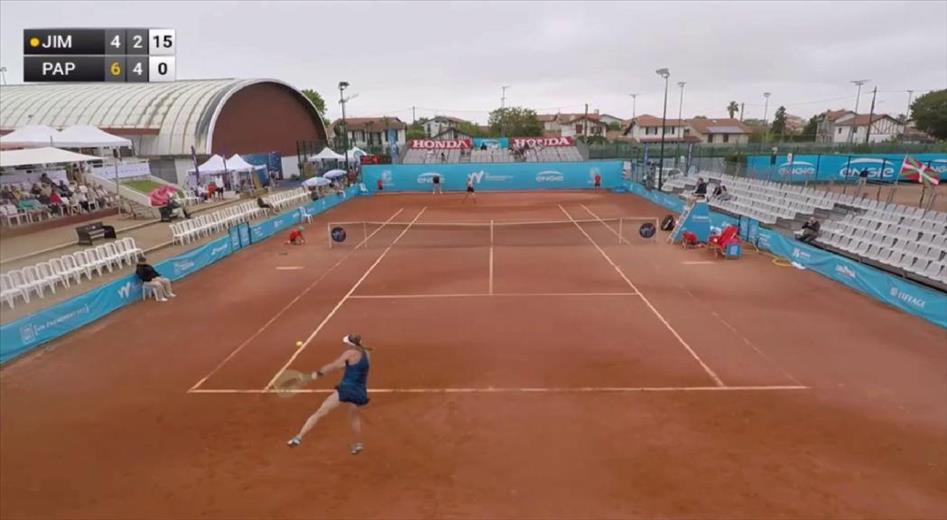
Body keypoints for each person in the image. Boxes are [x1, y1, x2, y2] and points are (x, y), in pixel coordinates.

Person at [287, 334, 372, 454]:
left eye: (346, 343)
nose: (345, 345)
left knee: (320, 412)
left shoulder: (349, 353)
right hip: (360, 391)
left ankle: (298, 437)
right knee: (354, 417)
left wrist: (318, 373)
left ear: (350, 344)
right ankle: (358, 444)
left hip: (346, 389)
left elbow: (334, 365)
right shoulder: (367, 354)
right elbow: (353, 366)